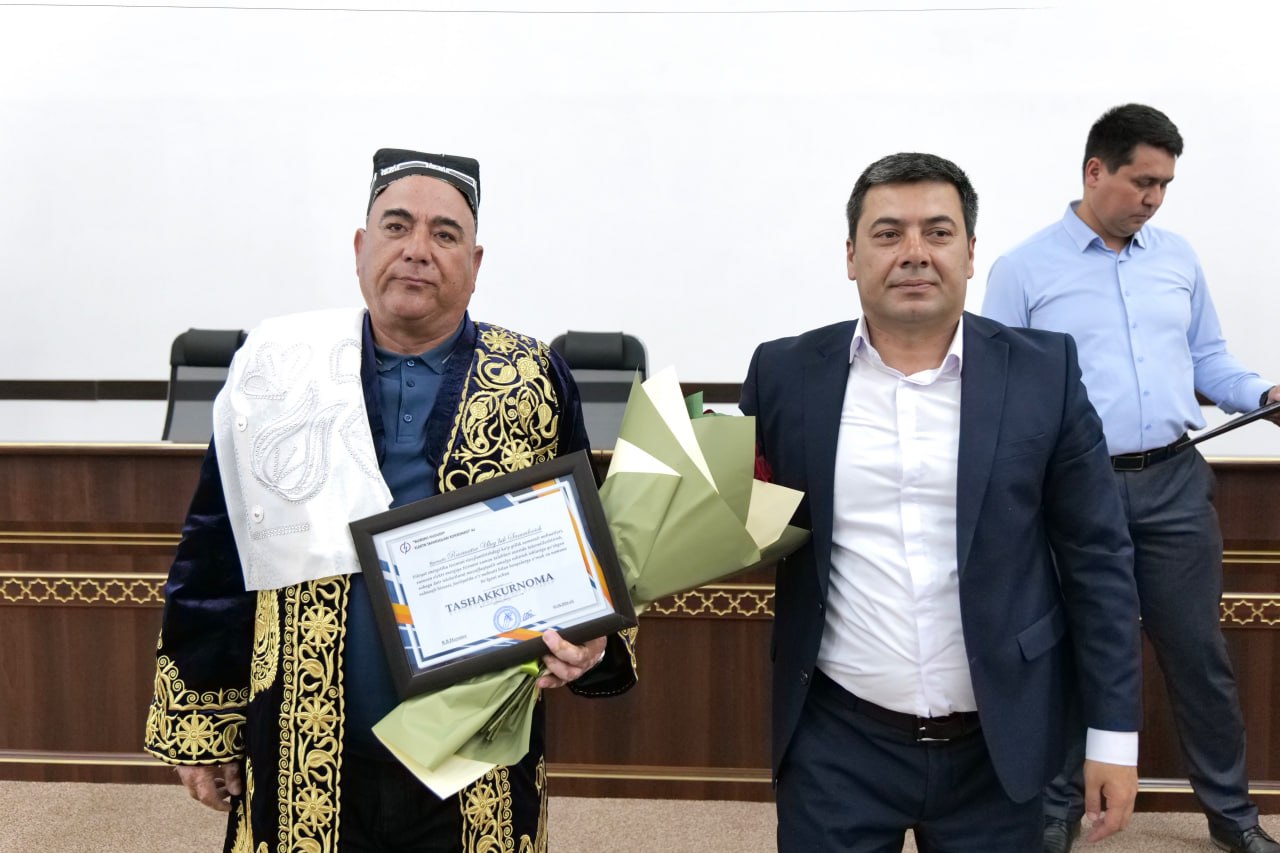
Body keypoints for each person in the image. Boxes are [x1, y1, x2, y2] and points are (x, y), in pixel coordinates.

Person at [143, 148, 637, 852]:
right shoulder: (279, 369)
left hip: (473, 754)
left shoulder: (532, 377)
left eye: (444, 233)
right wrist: (204, 722)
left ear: (475, 261)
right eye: (397, 226)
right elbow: (217, 551)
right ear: (360, 247)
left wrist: (593, 639)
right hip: (301, 747)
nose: (417, 250)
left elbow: (588, 547)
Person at [740, 152, 1143, 852]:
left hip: (999, 744)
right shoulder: (784, 374)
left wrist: (1113, 735)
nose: (914, 253)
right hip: (837, 738)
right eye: (888, 233)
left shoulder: (1044, 372)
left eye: (937, 231)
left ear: (971, 251)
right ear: (851, 256)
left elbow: (1098, 558)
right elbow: (733, 517)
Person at [983, 104, 1279, 853]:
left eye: (1165, 184)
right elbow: (1002, 390)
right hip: (1074, 490)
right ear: (1095, 171)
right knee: (1068, 651)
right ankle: (1054, 812)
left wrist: (1263, 395)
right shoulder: (1023, 269)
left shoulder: (1177, 258)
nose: (1154, 197)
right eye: (1142, 181)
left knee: (1198, 656)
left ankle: (1233, 818)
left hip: (1175, 482)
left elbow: (1209, 358)